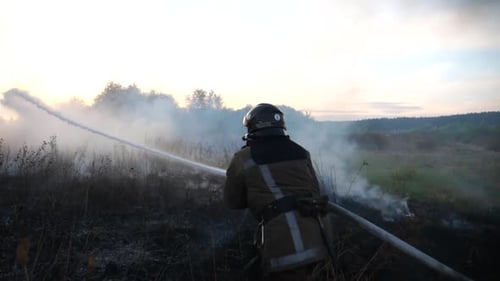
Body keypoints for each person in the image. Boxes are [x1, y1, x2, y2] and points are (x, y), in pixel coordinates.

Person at [224, 103, 333, 281]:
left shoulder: (243, 158)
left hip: (285, 246)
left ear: (252, 129)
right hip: (318, 239)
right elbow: (314, 189)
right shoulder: (301, 152)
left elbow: (233, 202)